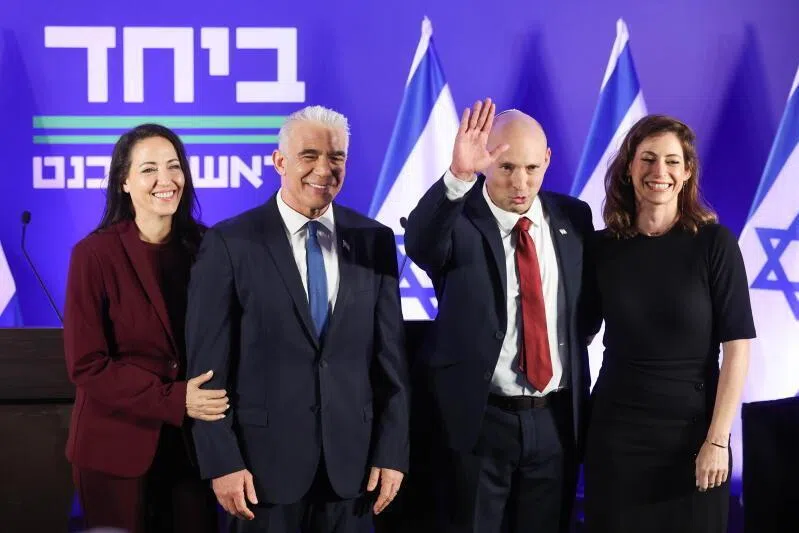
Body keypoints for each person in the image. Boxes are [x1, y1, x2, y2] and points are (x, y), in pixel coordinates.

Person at [185, 105, 410, 533]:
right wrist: (222, 462)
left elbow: (391, 364)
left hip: (354, 473)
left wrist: (392, 452)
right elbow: (207, 372)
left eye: (336, 157)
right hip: (259, 478)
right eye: (309, 155)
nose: (324, 169)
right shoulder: (230, 243)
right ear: (279, 162)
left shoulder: (374, 241)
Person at [404, 99, 598, 533]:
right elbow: (420, 244)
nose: (521, 182)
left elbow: (585, 314)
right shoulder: (459, 218)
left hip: (554, 421)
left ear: (547, 159)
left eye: (532, 168)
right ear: (486, 160)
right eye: (507, 167)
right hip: (478, 422)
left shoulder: (574, 216)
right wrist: (458, 177)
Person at [583, 115, 755, 532]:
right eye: (648, 159)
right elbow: (577, 332)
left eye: (672, 161)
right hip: (616, 439)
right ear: (629, 167)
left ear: (687, 172)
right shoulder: (602, 248)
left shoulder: (715, 244)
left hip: (695, 441)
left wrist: (718, 439)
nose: (659, 172)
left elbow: (737, 347)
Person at [64, 123, 227, 533]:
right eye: (149, 169)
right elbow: (87, 364)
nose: (165, 180)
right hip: (115, 449)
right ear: (123, 180)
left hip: (194, 448)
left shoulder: (210, 248)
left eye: (174, 166)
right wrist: (174, 399)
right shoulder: (93, 254)